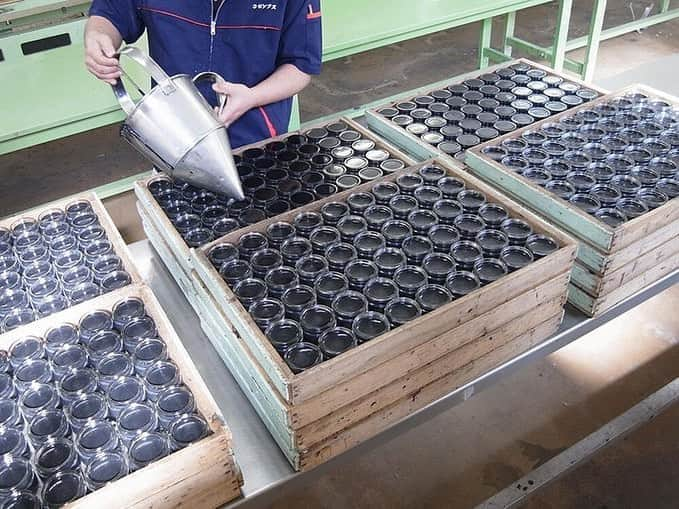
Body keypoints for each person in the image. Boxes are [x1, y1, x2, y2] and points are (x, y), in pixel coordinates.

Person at [85, 0, 322, 148]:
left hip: (258, 141)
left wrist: (253, 96)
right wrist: (98, 35)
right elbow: (110, 13)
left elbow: (301, 65)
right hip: (174, 139)